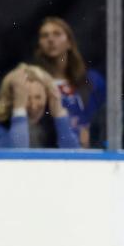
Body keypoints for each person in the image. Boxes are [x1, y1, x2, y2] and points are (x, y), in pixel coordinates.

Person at [33, 17, 104, 148]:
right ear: (39, 44)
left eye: (57, 34)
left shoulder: (93, 80)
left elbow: (106, 117)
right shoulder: (34, 83)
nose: (50, 39)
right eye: (45, 35)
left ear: (69, 42)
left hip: (90, 153)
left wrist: (93, 135)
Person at [0, 64, 79, 149]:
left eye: (38, 97)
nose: (33, 106)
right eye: (26, 98)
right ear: (11, 99)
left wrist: (59, 115)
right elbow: (16, 159)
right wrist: (19, 111)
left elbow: (75, 159)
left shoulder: (56, 121)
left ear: (48, 96)